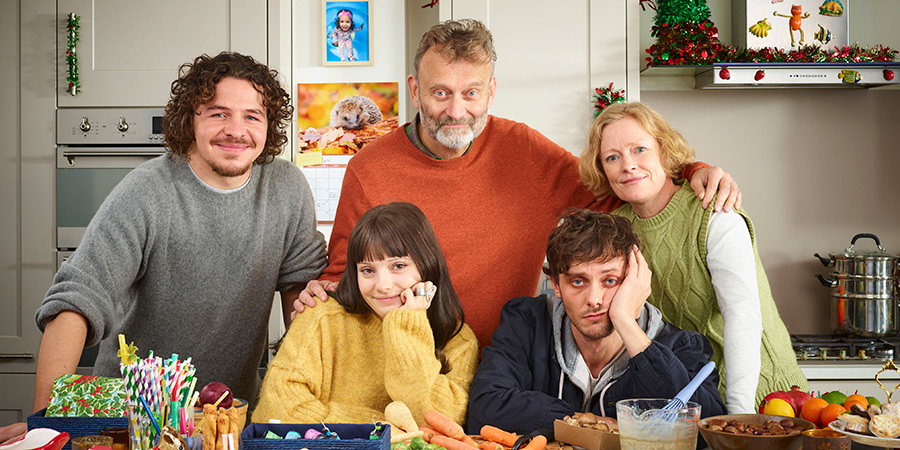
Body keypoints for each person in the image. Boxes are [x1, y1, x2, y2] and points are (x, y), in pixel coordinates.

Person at [297, 19, 742, 349]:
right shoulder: (370, 167)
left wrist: (690, 169)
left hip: (506, 363)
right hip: (406, 363)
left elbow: (617, 184)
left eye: (471, 93)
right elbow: (347, 276)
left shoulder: (524, 149)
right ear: (415, 89)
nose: (456, 110)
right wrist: (322, 291)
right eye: (440, 93)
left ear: (491, 91)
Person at [28, 52, 327, 418]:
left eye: (252, 116)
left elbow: (304, 299)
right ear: (190, 120)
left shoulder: (287, 187)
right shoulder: (147, 190)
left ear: (268, 125)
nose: (236, 129)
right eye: (218, 113)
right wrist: (45, 419)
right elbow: (78, 298)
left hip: (230, 415)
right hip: (134, 416)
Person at [578, 101, 807, 414]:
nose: (628, 165)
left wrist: (738, 413)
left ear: (664, 150)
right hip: (691, 401)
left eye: (640, 149)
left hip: (763, 398)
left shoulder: (714, 213)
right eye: (612, 157)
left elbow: (742, 315)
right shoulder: (617, 229)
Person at [466, 210, 725, 434]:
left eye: (610, 281)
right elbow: (484, 410)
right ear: (556, 285)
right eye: (577, 281)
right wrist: (584, 423)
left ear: (635, 281)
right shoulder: (526, 323)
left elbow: (707, 430)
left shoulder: (683, 347)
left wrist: (625, 321)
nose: (594, 299)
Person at [252, 202, 478, 425]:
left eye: (398, 266)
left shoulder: (459, 341)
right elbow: (276, 409)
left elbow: (442, 421)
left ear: (428, 266)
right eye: (368, 270)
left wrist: (406, 326)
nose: (383, 285)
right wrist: (384, 430)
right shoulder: (322, 317)